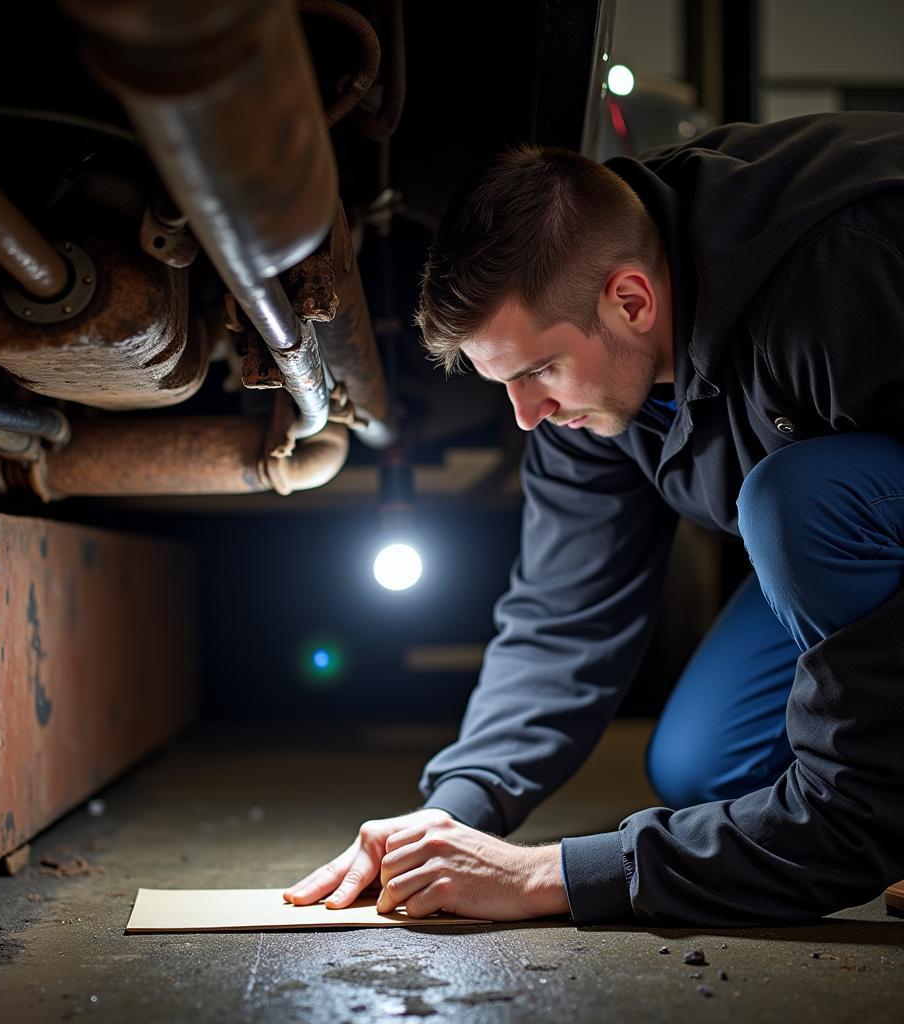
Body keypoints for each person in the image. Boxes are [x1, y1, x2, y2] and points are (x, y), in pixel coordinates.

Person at [284, 112, 904, 925]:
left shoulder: (849, 269)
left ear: (631, 300)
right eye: (503, 382)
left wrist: (551, 877)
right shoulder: (597, 371)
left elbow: (854, 818)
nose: (526, 417)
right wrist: (457, 809)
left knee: (800, 504)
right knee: (706, 766)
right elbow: (564, 613)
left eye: (540, 369)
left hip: (841, 505)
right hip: (868, 527)